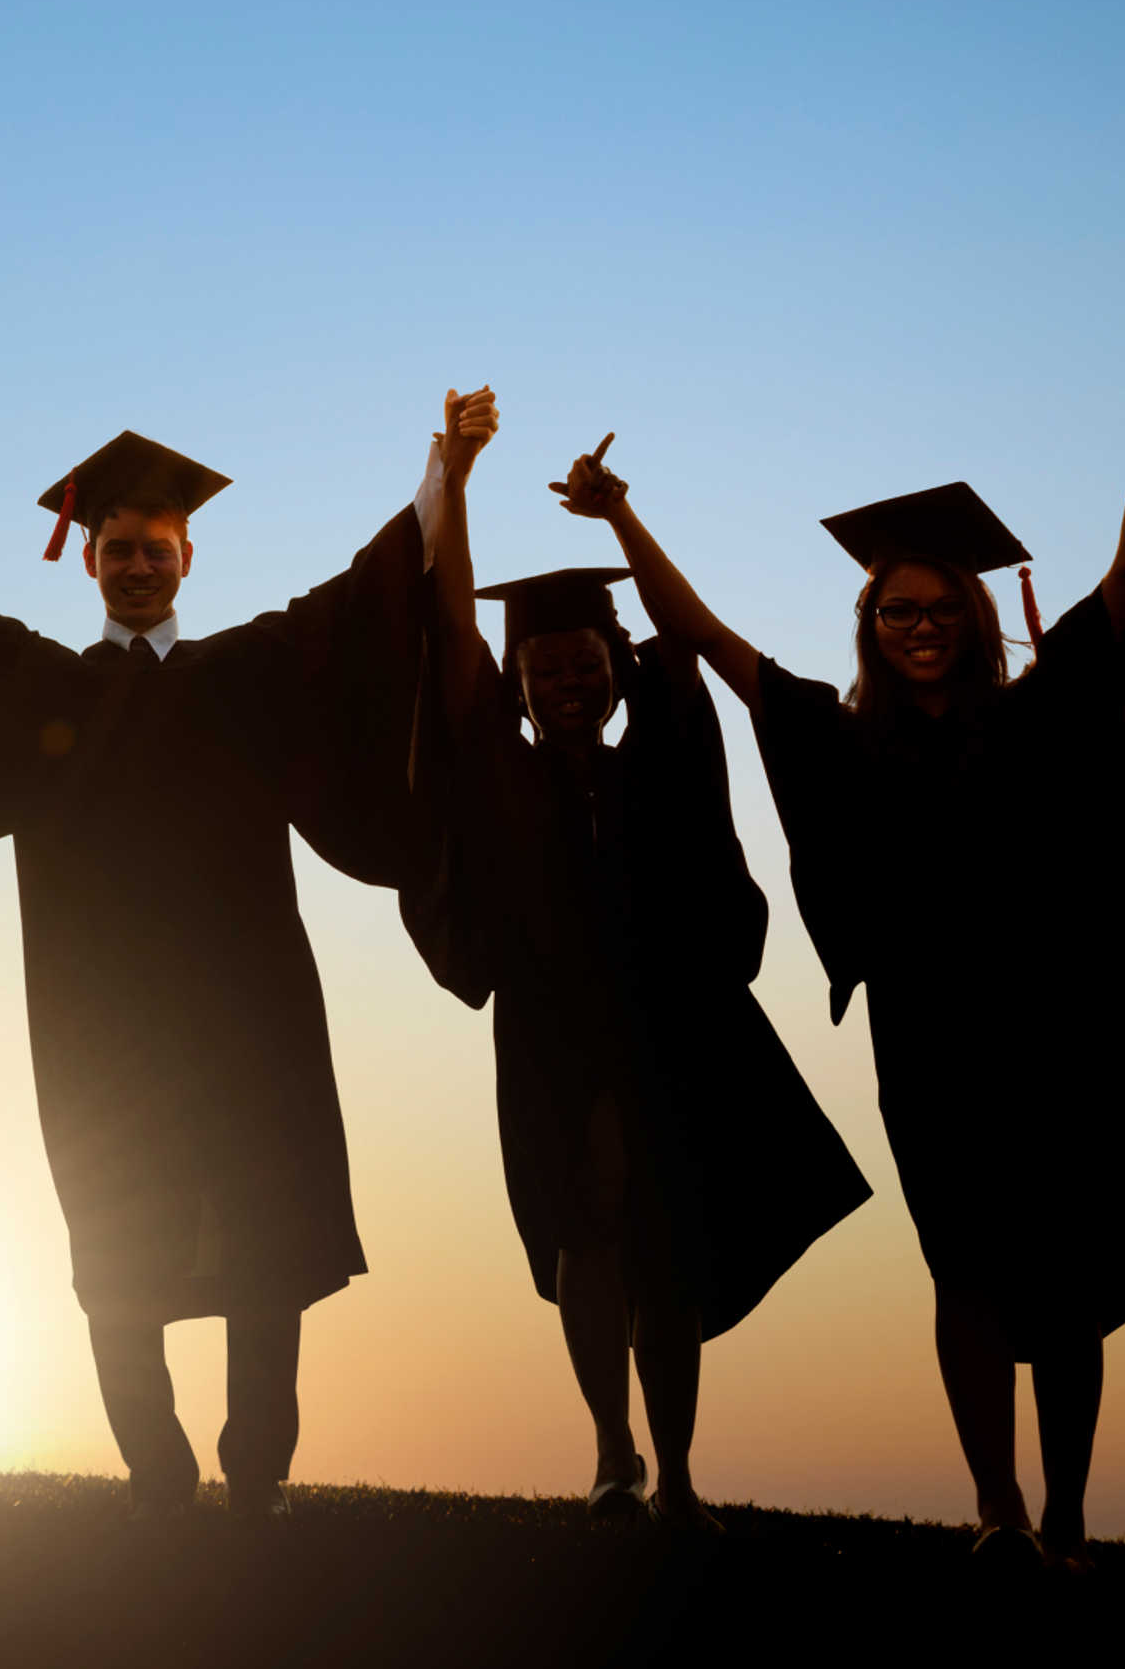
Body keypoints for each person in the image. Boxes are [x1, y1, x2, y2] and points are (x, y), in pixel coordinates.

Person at [563, 416, 1125, 1573]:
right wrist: (619, 520)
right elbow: (702, 638)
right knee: (962, 1262)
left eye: (939, 609)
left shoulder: (1033, 715)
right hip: (928, 1037)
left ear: (973, 620)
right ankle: (996, 1509)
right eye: (896, 611)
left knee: (1066, 1267)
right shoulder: (833, 737)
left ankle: (1064, 1512)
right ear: (870, 624)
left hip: (1063, 1023)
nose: (918, 628)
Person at [0, 391, 481, 1521]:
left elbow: (363, 599)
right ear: (88, 561)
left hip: (251, 1026)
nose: (137, 566)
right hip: (99, 1034)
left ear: (188, 557)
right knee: (117, 1261)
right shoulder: (41, 691)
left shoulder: (247, 677)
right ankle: (156, 1477)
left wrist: (444, 471)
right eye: (117, 550)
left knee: (265, 1252)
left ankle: (256, 1477)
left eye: (155, 549)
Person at [393, 549, 869, 1533]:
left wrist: (622, 522)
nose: (569, 685)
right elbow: (452, 645)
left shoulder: (659, 760)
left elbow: (683, 649)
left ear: (617, 668)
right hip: (551, 1036)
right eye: (546, 671)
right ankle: (614, 1449)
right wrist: (456, 480)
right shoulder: (496, 771)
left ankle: (679, 1475)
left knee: (669, 1253)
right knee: (583, 1224)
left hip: (669, 1027)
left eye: (587, 665)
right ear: (517, 685)